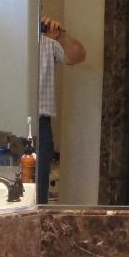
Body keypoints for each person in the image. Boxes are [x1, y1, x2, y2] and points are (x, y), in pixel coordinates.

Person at [37, 16, 86, 204]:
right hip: (7, 125)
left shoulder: (47, 41)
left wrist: (59, 35)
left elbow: (78, 55)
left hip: (39, 126)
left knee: (38, 194)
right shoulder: (2, 36)